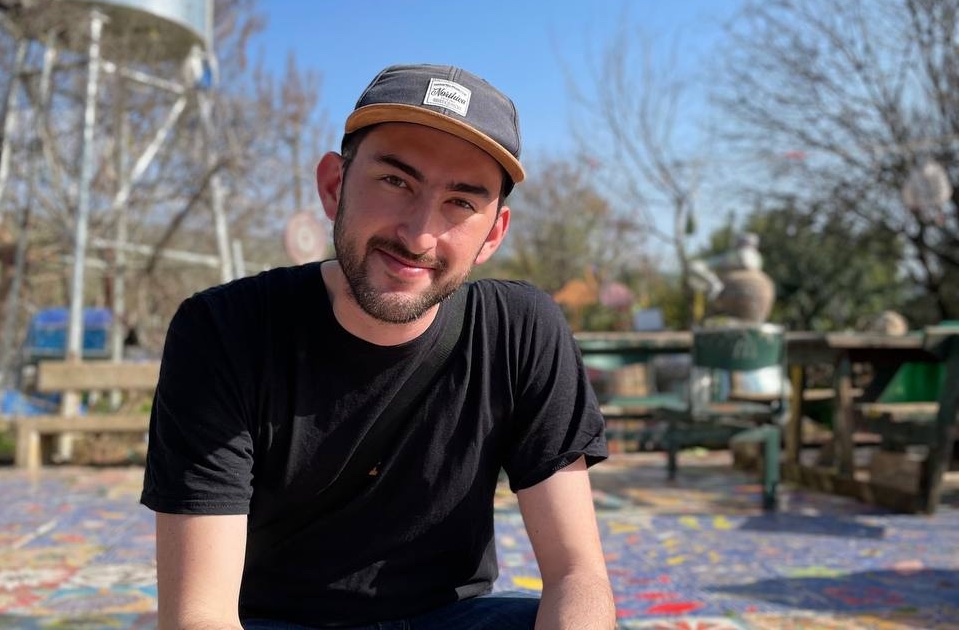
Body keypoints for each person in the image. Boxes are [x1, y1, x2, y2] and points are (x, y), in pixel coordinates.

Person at [141, 63, 615, 630]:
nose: (418, 235)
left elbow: (577, 575)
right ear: (334, 186)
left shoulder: (519, 330)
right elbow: (200, 614)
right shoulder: (224, 330)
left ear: (493, 233)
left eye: (461, 203)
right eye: (395, 182)